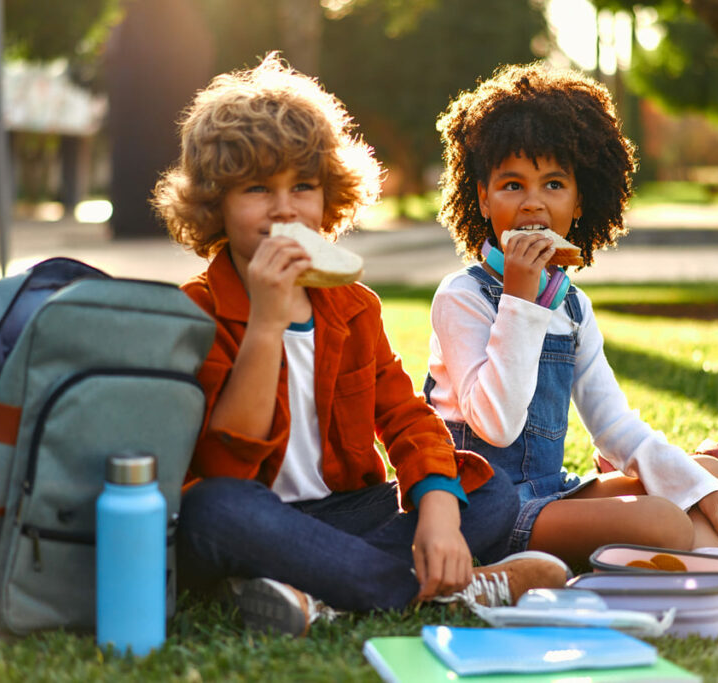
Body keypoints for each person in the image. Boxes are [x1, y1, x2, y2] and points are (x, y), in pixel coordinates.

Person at [151, 54, 570, 637]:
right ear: (216, 202)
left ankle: (315, 593)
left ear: (330, 196)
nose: (283, 208)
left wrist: (440, 513)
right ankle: (453, 590)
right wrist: (267, 323)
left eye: (303, 186)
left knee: (486, 491)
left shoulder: (353, 306)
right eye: (255, 188)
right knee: (215, 511)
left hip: (342, 512)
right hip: (248, 518)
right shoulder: (197, 311)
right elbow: (224, 467)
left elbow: (406, 417)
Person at [424, 62, 718, 569]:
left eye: (554, 184)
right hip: (485, 509)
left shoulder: (571, 305)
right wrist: (520, 301)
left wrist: (695, 484)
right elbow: (498, 426)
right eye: (512, 185)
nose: (533, 203)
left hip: (552, 494)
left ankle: (706, 543)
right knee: (662, 521)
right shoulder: (461, 296)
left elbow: (614, 424)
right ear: (482, 197)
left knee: (710, 474)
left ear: (579, 203)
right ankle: (704, 550)